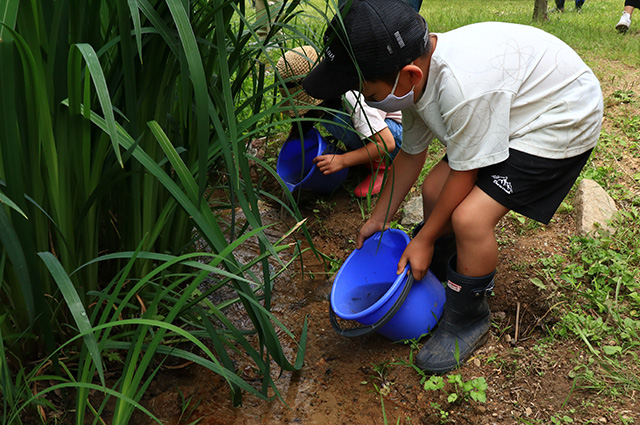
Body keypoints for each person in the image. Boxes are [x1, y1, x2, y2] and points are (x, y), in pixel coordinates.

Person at [303, 0, 603, 373]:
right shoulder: (412, 80)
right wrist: (379, 218)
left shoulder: (462, 88)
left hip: (561, 117)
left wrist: (423, 238)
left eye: (371, 94)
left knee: (470, 219)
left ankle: (468, 315)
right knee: (432, 190)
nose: (367, 100)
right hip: (513, 107)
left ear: (409, 75)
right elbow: (411, 155)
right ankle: (449, 266)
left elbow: (465, 170)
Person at [276, 45, 403, 197]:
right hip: (378, 133)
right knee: (326, 114)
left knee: (338, 120)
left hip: (397, 138)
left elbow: (386, 143)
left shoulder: (351, 95)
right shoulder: (327, 97)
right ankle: (362, 158)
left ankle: (381, 168)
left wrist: (342, 161)